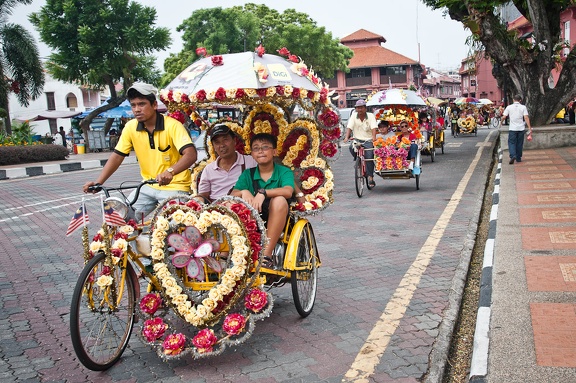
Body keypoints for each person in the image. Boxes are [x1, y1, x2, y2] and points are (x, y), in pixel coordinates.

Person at [83, 82, 197, 219]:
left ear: (154, 105)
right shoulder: (131, 127)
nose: (137, 109)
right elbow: (117, 156)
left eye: (142, 104)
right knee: (122, 219)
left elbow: (191, 154)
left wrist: (170, 172)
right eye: (133, 105)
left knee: (172, 228)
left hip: (175, 186)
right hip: (147, 186)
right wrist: (98, 182)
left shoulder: (173, 126)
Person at [231, 133, 294, 267]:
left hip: (277, 213)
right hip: (253, 217)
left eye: (265, 147)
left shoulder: (284, 172)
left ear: (274, 151)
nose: (260, 151)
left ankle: (266, 254)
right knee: (231, 204)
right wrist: (244, 192)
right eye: (256, 148)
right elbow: (233, 193)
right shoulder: (248, 173)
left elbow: (288, 191)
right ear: (252, 154)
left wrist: (263, 192)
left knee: (279, 200)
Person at [196, 123, 258, 203]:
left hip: (243, 208)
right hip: (216, 210)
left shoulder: (251, 161)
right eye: (217, 142)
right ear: (214, 147)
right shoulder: (209, 169)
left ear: (234, 141)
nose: (222, 145)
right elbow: (203, 195)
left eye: (225, 140)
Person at [343, 99, 377, 187]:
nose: (359, 110)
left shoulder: (370, 116)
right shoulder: (354, 116)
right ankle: (357, 160)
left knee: (369, 157)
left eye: (361, 108)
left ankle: (370, 177)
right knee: (351, 147)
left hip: (368, 140)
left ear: (365, 108)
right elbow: (349, 127)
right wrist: (346, 137)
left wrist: (374, 137)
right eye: (358, 108)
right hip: (357, 139)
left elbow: (373, 128)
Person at [501, 94, 532, 164]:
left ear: (513, 100)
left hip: (512, 128)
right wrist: (529, 127)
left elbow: (504, 116)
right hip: (521, 128)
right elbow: (526, 117)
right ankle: (518, 158)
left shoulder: (509, 107)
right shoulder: (523, 107)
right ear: (520, 100)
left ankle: (512, 155)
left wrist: (501, 123)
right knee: (519, 143)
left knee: (511, 142)